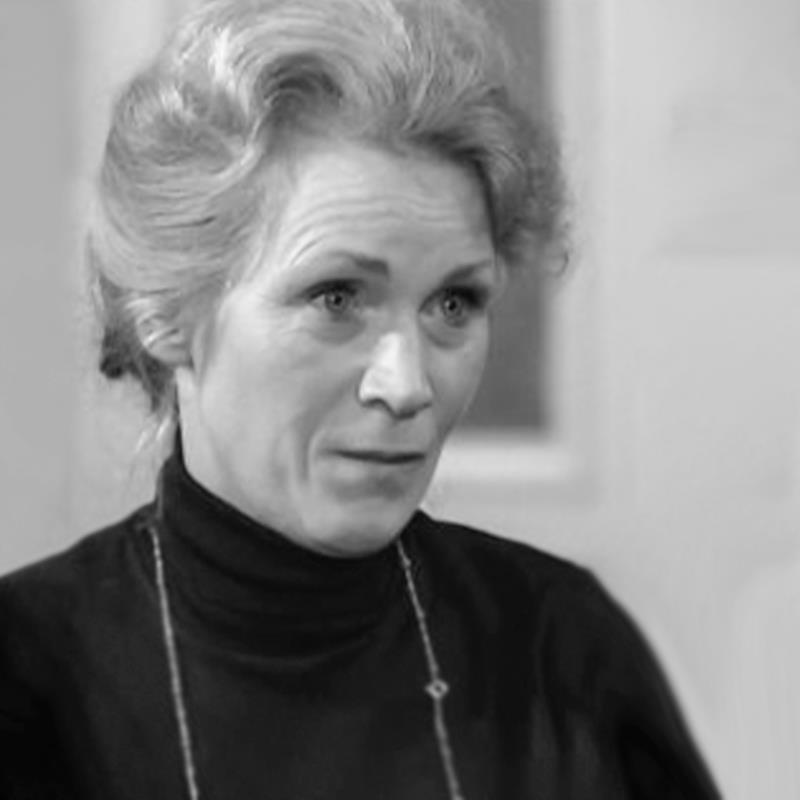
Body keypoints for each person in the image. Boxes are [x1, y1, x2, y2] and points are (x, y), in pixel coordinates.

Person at [0, 0, 721, 797]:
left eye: (453, 304)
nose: (408, 386)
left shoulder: (566, 654)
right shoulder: (29, 675)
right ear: (167, 313)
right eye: (336, 297)